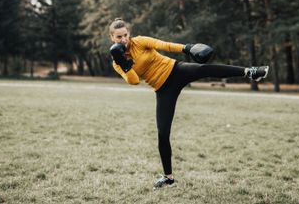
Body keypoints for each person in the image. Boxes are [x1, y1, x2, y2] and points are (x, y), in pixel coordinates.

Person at [108, 18, 269, 190]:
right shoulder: (116, 63)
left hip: (175, 70)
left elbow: (165, 45)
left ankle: (250, 72)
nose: (123, 39)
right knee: (163, 133)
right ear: (112, 38)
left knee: (203, 69)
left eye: (125, 35)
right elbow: (133, 81)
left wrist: (187, 47)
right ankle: (168, 178)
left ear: (129, 33)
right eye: (119, 37)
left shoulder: (139, 42)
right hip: (163, 90)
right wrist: (124, 64)